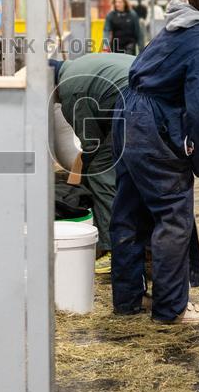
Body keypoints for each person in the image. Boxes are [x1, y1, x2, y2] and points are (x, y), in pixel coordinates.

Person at [110, 0, 199, 324]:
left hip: (128, 115)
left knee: (129, 214)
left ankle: (129, 300)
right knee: (173, 217)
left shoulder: (174, 28)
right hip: (151, 125)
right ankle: (170, 308)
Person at [50, 52, 135, 268]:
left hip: (135, 104)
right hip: (149, 98)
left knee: (100, 170)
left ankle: (109, 248)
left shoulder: (70, 89)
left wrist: (78, 181)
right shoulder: (79, 65)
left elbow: (91, 145)